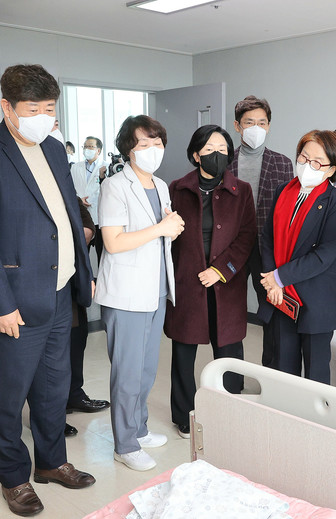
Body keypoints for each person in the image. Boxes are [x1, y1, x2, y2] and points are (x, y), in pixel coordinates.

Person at [0, 64, 96, 517]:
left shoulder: (53, 148)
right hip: (14, 301)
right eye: (33, 109)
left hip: (59, 292)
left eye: (49, 108)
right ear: (7, 107)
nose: (43, 117)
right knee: (8, 394)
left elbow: (67, 215)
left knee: (54, 387)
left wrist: (82, 272)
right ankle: (13, 477)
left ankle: (51, 462)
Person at [94, 115, 184, 472]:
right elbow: (113, 242)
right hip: (126, 294)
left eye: (157, 143)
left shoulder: (160, 185)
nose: (152, 149)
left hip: (156, 290)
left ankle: (140, 428)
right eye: (143, 143)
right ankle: (125, 444)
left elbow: (160, 233)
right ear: (128, 149)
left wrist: (170, 229)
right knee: (127, 373)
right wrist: (161, 228)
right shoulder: (115, 186)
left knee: (146, 370)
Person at [165, 125, 256, 439]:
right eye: (209, 149)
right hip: (187, 281)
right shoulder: (177, 189)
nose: (216, 154)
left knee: (228, 350)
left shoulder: (242, 190)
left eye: (222, 149)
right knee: (183, 351)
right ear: (195, 155)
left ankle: (230, 410)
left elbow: (247, 237)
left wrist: (221, 270)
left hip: (225, 283)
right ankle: (184, 415)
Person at [258, 130, 336, 383]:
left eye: (317, 162)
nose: (308, 165)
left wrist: (279, 277)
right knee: (283, 372)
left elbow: (323, 255)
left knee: (315, 376)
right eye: (304, 157)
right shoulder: (282, 191)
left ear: (331, 170)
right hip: (281, 298)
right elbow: (267, 238)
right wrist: (272, 282)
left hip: (316, 300)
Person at [227, 95, 293, 367]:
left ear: (269, 126)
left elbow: (288, 211)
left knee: (272, 311)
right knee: (230, 313)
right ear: (237, 126)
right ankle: (231, 377)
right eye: (249, 122)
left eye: (262, 123)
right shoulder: (225, 163)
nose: (256, 128)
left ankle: (271, 374)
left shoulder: (282, 163)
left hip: (268, 247)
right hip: (231, 247)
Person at [65, 197, 109, 438]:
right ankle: (52, 411)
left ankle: (74, 395)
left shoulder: (68, 193)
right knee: (52, 350)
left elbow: (88, 229)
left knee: (77, 337)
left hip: (72, 278)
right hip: (42, 281)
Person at [70, 136, 107, 261]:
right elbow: (70, 189)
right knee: (81, 255)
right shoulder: (75, 167)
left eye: (90, 146)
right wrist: (79, 200)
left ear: (98, 150)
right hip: (82, 217)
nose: (87, 149)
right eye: (85, 147)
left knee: (101, 255)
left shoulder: (105, 167)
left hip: (99, 217)